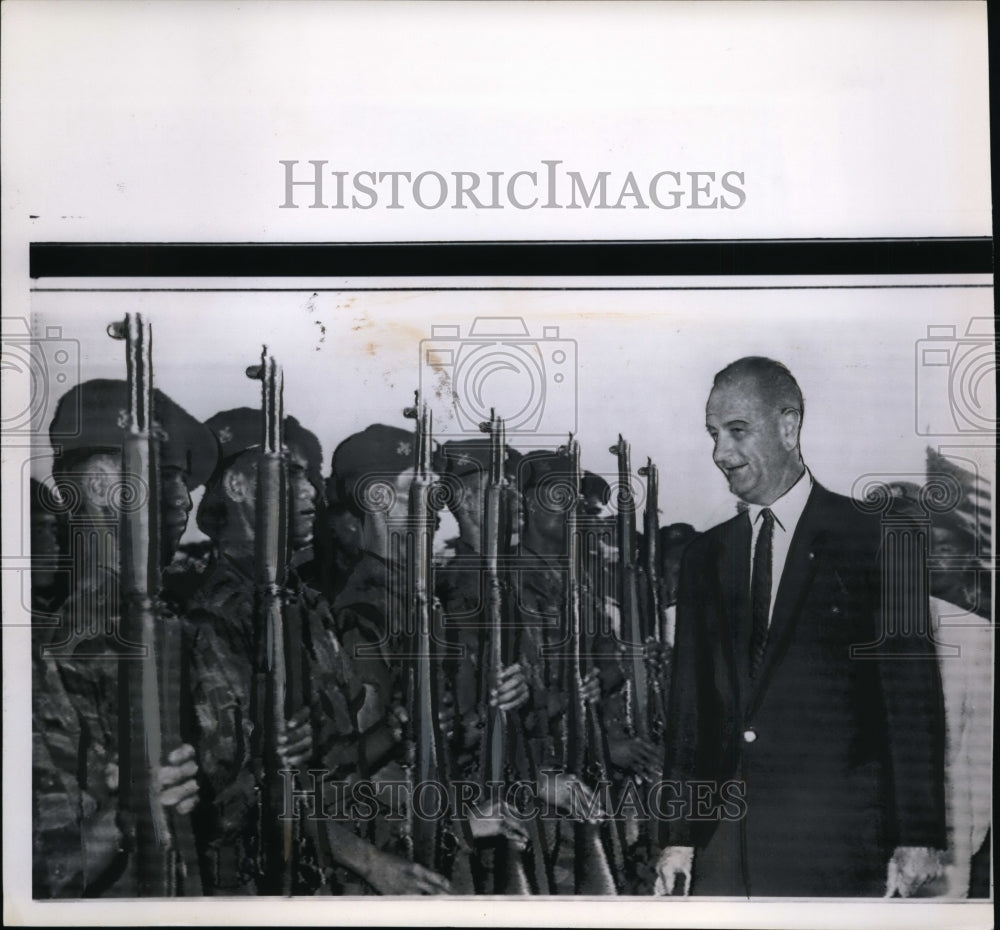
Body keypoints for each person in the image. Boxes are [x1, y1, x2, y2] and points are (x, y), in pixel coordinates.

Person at [655, 356, 947, 898]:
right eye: (713, 434)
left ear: (789, 427)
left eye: (738, 432)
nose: (721, 453)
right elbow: (688, 711)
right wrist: (679, 838)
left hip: (836, 842)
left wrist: (918, 836)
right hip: (725, 843)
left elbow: (911, 702)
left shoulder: (880, 538)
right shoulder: (704, 556)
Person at [34, 378, 216, 897]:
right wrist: (127, 814)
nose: (183, 498)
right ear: (99, 487)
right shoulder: (54, 649)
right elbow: (35, 876)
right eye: (166, 474)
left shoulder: (177, 626)